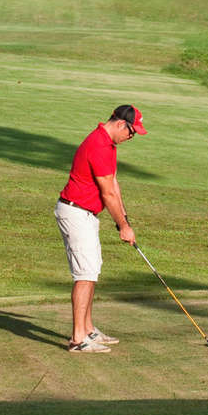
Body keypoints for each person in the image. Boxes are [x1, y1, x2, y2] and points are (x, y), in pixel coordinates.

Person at [54, 104, 146, 352]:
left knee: (91, 270)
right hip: (76, 212)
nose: (132, 136)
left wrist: (123, 220)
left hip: (85, 213)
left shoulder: (109, 145)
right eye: (131, 131)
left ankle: (89, 330)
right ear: (119, 124)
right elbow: (107, 193)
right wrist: (123, 226)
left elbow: (113, 184)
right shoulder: (99, 145)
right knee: (84, 274)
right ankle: (78, 339)